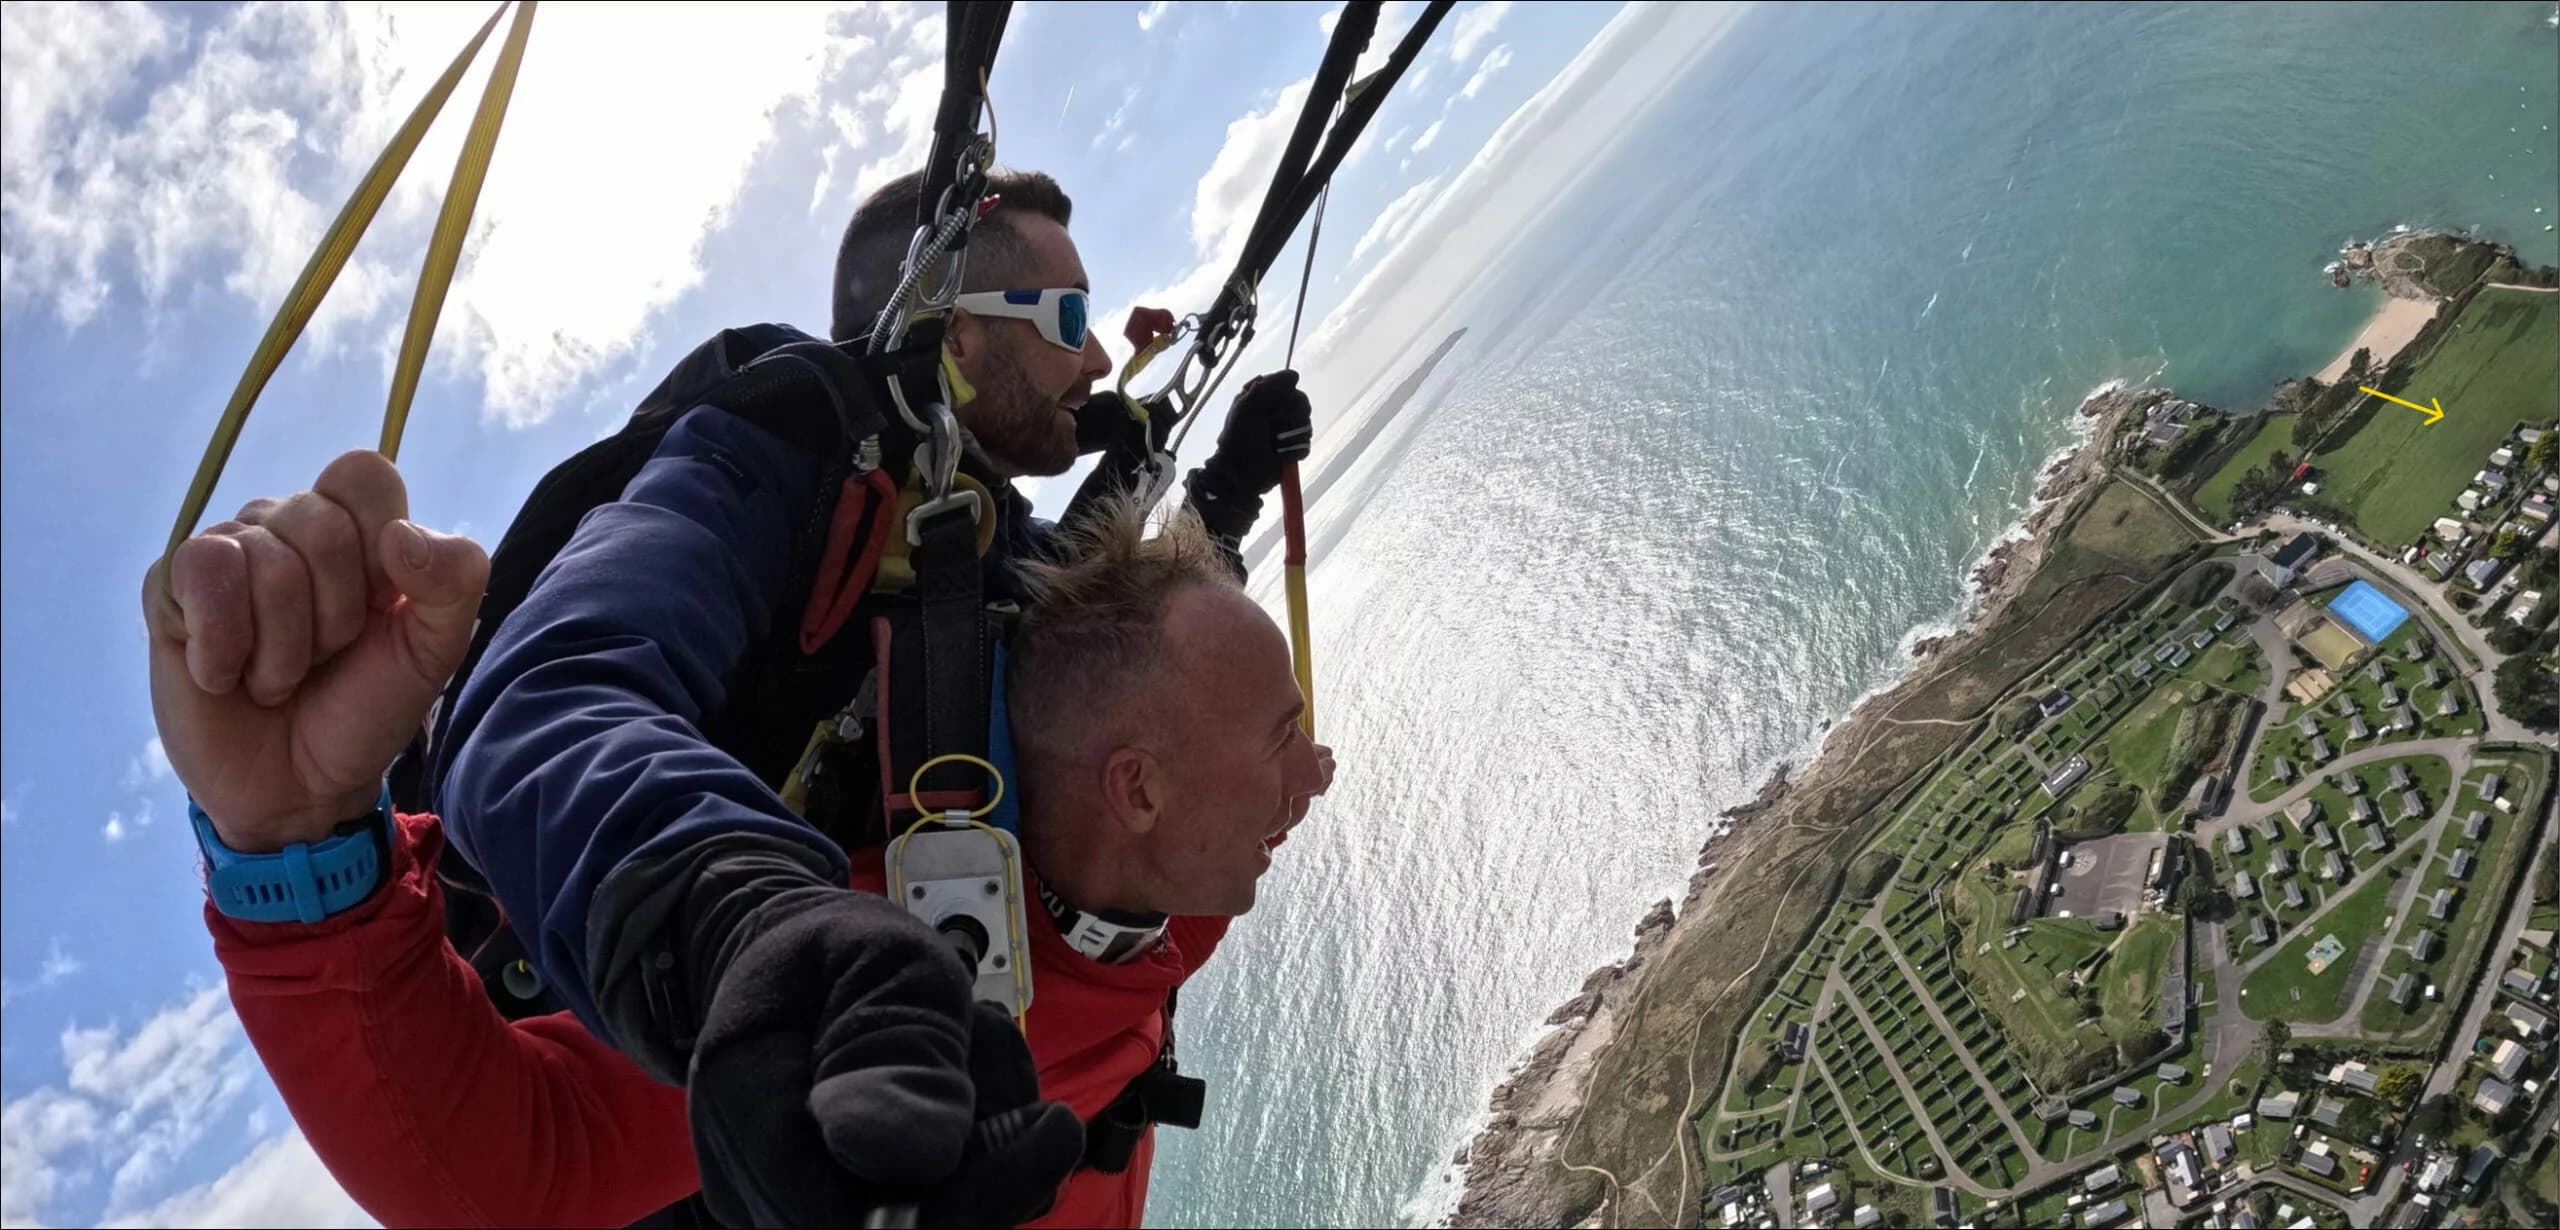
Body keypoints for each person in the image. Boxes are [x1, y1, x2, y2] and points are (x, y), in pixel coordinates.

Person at [162, 165, 1330, 1227]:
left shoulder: (979, 545)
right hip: (787, 1063)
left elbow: (1106, 682)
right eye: (1069, 321)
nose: (1091, 363)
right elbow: (547, 692)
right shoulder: (779, 446)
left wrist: (1216, 502)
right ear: (956, 335)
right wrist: (751, 928)